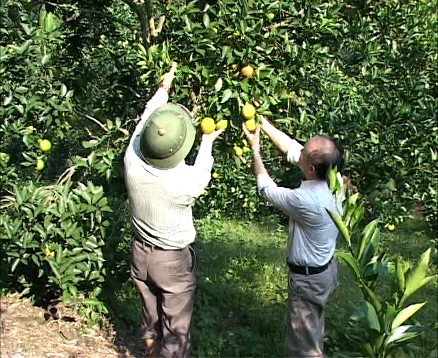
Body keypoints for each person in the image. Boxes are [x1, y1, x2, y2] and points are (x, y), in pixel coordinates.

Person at [124, 63, 223, 358]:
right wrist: (207, 140)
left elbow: (146, 121)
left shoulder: (132, 158)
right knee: (176, 336)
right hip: (172, 263)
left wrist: (163, 88)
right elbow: (203, 167)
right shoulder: (185, 183)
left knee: (151, 322)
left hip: (140, 254)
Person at [243, 116, 343, 358]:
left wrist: (255, 150)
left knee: (303, 348)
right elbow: (290, 147)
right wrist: (261, 122)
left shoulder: (305, 200)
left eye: (304, 153)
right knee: (312, 332)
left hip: (308, 280)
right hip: (325, 271)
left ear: (310, 168)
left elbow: (266, 188)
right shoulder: (334, 180)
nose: (300, 151)